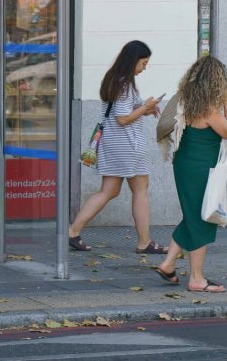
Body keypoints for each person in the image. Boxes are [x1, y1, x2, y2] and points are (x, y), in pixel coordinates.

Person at [69, 40, 166, 254]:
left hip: (114, 142)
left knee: (109, 190)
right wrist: (145, 108)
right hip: (127, 143)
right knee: (140, 189)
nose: (144, 68)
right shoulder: (125, 85)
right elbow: (123, 119)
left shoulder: (114, 80)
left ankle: (73, 231)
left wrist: (144, 109)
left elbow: (120, 114)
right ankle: (144, 242)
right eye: (143, 63)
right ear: (133, 61)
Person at [153, 55, 227, 293]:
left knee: (193, 215)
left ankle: (168, 264)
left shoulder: (186, 101)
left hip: (185, 165)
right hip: (200, 169)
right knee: (201, 219)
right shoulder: (209, 109)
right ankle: (197, 279)